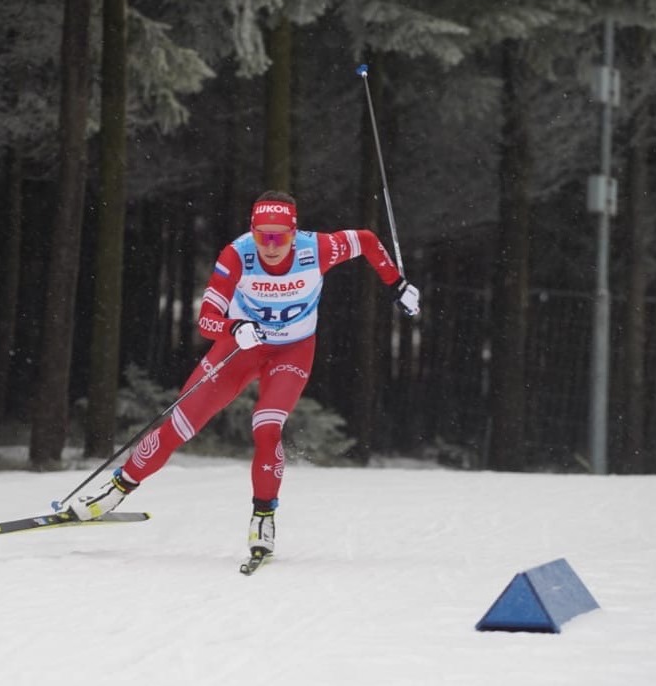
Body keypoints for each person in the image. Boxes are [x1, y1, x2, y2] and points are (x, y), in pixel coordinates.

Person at [67, 190, 420, 559]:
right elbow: (206, 320)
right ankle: (115, 490)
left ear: (293, 233)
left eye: (279, 237)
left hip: (293, 350)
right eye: (261, 235)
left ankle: (263, 518)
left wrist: (397, 285)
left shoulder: (317, 249)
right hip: (240, 350)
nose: (270, 246)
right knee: (180, 423)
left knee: (266, 428)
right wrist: (234, 328)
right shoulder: (237, 254)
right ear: (252, 232)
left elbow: (365, 240)